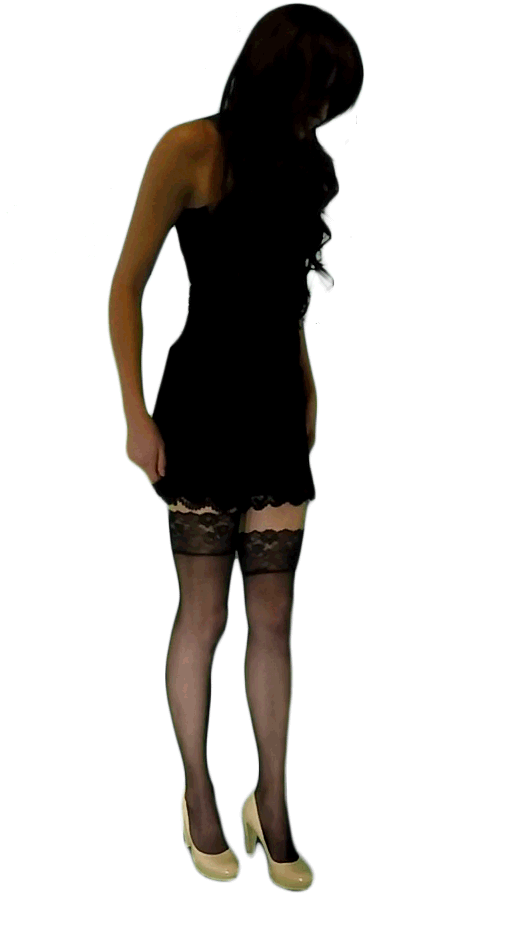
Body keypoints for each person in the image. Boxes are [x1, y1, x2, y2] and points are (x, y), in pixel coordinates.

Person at [109, 4, 363, 891]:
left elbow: (286, 300)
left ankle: (274, 800)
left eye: (332, 100)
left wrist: (307, 388)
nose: (321, 112)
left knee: (276, 616)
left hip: (274, 403)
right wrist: (135, 414)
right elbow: (125, 284)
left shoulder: (304, 162)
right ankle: (197, 791)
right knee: (205, 612)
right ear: (276, 75)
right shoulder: (189, 148)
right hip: (202, 401)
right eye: (317, 92)